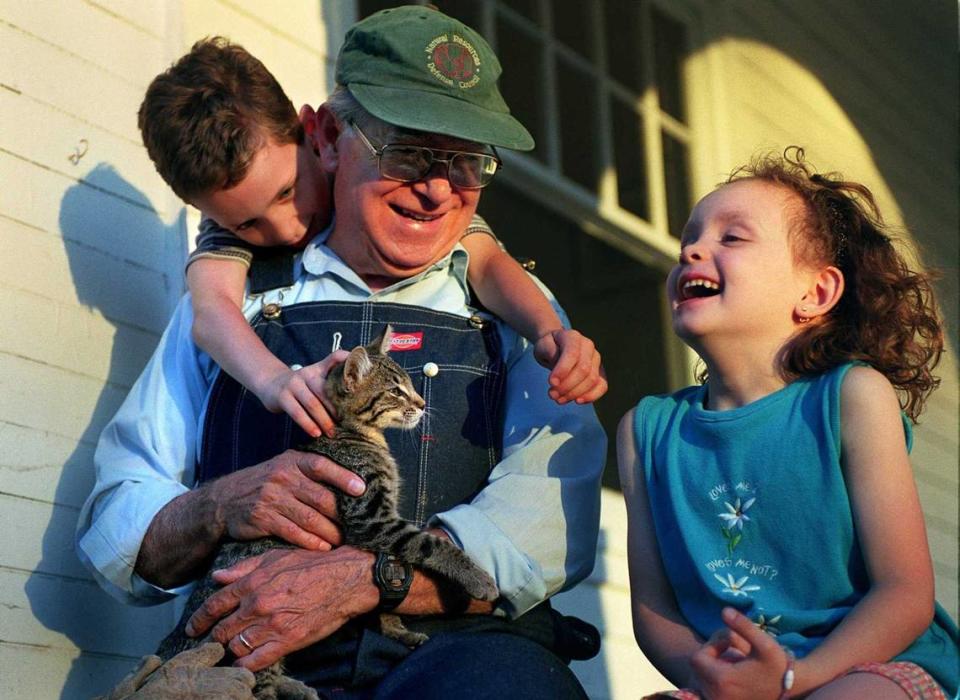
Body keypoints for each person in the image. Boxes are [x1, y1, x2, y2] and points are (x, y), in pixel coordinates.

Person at [78, 6, 606, 699]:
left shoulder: (511, 302)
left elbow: (546, 520)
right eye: (407, 150)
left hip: (460, 653)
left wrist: (368, 579)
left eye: (466, 160)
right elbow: (118, 520)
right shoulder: (231, 301)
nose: (438, 187)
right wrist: (216, 506)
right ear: (327, 135)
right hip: (254, 648)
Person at [140, 38, 605, 443]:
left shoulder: (435, 224)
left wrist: (549, 332)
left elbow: (487, 262)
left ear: (313, 138)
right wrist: (273, 380)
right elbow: (210, 313)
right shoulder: (228, 246)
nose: (285, 230)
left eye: (287, 193)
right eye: (247, 225)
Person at [618, 148, 959, 699]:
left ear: (815, 293)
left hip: (869, 666)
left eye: (732, 238)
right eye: (691, 237)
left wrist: (792, 681)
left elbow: (905, 593)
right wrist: (722, 682)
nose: (692, 249)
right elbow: (655, 610)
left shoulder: (852, 396)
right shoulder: (644, 432)